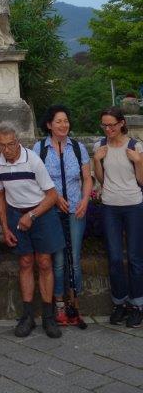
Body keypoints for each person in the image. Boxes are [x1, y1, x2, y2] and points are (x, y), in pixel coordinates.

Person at [0, 122, 64, 338]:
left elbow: (52, 195)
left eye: (10, 144)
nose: (7, 150)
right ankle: (28, 316)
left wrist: (32, 215)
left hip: (41, 212)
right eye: (2, 145)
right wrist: (5, 227)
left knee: (44, 262)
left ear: (18, 141)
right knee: (24, 262)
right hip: (16, 213)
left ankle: (48, 317)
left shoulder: (33, 160)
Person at [34, 105, 92, 326]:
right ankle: (58, 304)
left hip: (76, 209)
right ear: (49, 124)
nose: (63, 125)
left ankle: (74, 304)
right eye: (58, 121)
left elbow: (87, 178)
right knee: (57, 261)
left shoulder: (77, 148)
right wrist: (56, 197)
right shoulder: (40, 148)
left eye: (66, 121)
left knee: (74, 259)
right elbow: (36, 179)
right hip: (51, 211)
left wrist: (85, 200)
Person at [93, 106, 143, 327]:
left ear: (122, 123)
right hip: (110, 207)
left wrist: (139, 161)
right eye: (104, 125)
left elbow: (142, 181)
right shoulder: (99, 146)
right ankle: (119, 303)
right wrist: (97, 160)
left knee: (135, 258)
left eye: (112, 125)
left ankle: (137, 305)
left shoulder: (135, 146)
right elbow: (101, 180)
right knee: (114, 258)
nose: (108, 129)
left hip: (134, 206)